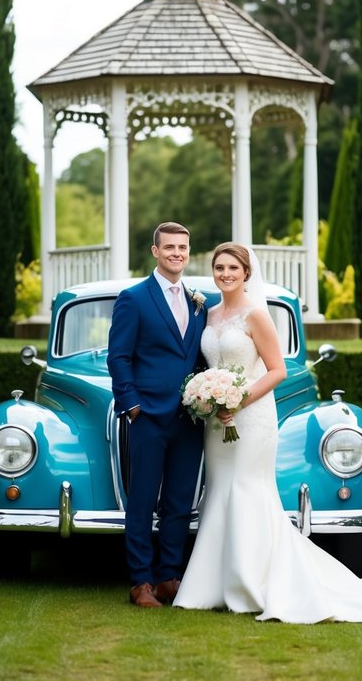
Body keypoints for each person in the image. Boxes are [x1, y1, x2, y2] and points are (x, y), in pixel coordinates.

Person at [174, 243, 362, 623]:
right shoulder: (212, 314)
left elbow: (277, 370)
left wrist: (238, 400)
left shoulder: (257, 316)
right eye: (219, 267)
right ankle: (212, 585)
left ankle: (252, 584)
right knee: (220, 490)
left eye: (233, 268)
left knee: (249, 490)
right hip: (216, 422)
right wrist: (208, 396)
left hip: (251, 418)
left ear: (246, 272)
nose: (225, 274)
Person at [107, 221, 209, 608]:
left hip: (190, 418)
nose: (177, 253)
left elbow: (200, 356)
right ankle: (140, 583)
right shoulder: (133, 298)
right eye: (169, 247)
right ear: (155, 251)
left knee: (179, 502)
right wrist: (131, 405)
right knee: (143, 500)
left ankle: (169, 576)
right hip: (147, 415)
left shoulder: (199, 301)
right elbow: (119, 356)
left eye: (182, 247)